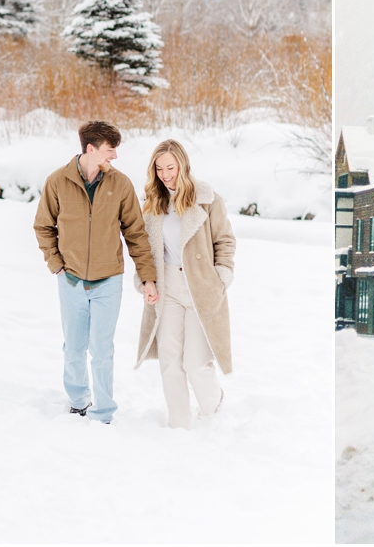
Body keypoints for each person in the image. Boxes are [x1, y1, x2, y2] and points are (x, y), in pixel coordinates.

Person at [34, 120, 158, 424]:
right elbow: (43, 226)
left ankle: (103, 412)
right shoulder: (58, 182)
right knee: (74, 348)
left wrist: (147, 277)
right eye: (109, 149)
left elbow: (136, 234)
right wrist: (57, 265)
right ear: (90, 149)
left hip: (108, 280)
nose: (114, 155)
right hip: (71, 279)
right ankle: (78, 401)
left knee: (102, 349)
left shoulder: (121, 184)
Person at [134, 139, 236, 429]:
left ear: (182, 165)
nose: (166, 174)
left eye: (170, 167)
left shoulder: (207, 199)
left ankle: (212, 405)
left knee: (195, 362)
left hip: (201, 287)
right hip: (168, 284)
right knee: (169, 358)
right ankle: (178, 421)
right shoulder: (153, 203)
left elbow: (225, 241)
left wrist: (222, 275)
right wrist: (146, 281)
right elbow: (143, 248)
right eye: (159, 168)